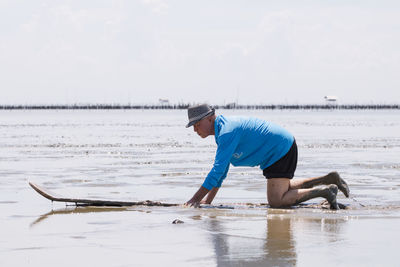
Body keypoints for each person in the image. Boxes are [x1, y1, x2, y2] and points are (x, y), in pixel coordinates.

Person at [184, 104, 349, 209]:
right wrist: (207, 201)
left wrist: (194, 200)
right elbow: (221, 172)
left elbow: (217, 171)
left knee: (277, 201)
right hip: (277, 149)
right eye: (193, 126)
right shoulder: (223, 131)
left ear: (211, 118)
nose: (195, 129)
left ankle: (325, 191)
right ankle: (328, 178)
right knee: (283, 188)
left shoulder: (227, 132)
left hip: (279, 150)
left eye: (197, 124)